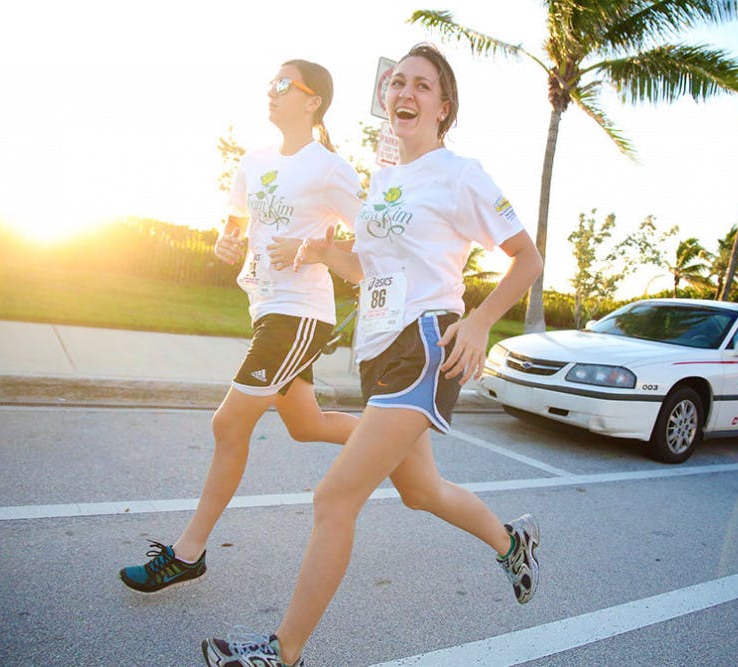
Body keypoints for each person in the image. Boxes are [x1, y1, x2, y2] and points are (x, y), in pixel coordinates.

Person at [200, 43, 545, 667]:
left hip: (424, 344)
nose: (405, 93)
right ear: (385, 98)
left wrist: (479, 321)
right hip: (379, 349)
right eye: (397, 84)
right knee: (421, 492)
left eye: (422, 86)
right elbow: (371, 270)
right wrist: (321, 254)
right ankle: (511, 540)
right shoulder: (384, 179)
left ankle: (283, 653)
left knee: (334, 498)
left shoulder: (461, 174)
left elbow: (527, 258)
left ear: (444, 107)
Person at [118, 59, 362, 594]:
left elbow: (374, 244)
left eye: (283, 85)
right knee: (306, 425)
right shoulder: (252, 162)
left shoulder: (329, 169)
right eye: (270, 84)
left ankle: (188, 553)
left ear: (312, 100)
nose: (270, 92)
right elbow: (233, 229)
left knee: (228, 426)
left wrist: (311, 248)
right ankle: (392, 435)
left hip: (299, 312)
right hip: (264, 307)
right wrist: (225, 244)